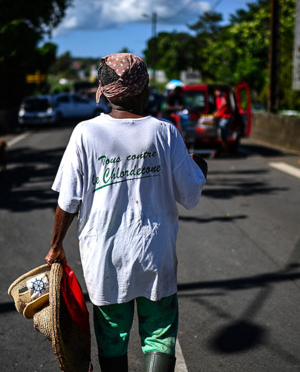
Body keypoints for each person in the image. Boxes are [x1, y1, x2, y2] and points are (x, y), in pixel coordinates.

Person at [45, 53, 207, 372]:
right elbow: (189, 193)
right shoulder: (164, 132)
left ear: (104, 92)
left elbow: (68, 201)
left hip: (104, 258)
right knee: (159, 335)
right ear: (144, 90)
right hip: (154, 255)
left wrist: (55, 246)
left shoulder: (85, 133)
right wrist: (199, 164)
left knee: (111, 337)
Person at [213, 89, 233, 156]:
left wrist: (217, 111)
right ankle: (226, 151)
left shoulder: (221, 94)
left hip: (226, 117)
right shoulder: (222, 95)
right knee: (224, 136)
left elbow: (224, 103)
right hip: (225, 117)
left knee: (222, 135)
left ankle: (226, 151)